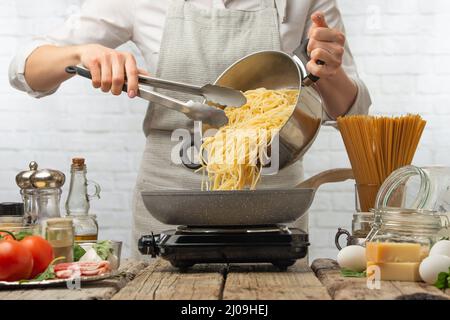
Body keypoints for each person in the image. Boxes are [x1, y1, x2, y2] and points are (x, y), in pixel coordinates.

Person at [9, 0, 371, 258]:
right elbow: (24, 69)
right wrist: (80, 55)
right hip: (168, 209)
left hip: (270, 212)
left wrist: (330, 70)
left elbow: (351, 112)